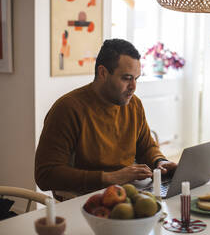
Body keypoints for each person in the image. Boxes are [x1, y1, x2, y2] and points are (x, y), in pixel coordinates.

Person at [35, 39, 177, 200]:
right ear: (103, 73)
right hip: (86, 199)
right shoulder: (68, 108)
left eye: (136, 79)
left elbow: (146, 147)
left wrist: (160, 162)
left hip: (128, 193)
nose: (133, 87)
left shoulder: (134, 104)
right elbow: (45, 175)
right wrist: (110, 178)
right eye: (126, 78)